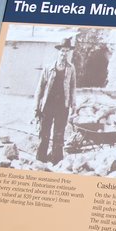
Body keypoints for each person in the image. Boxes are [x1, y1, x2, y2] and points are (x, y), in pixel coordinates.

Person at [35, 36, 77, 164]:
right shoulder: (48, 68)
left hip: (62, 107)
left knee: (59, 134)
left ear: (69, 52)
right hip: (47, 106)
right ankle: (40, 160)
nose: (64, 54)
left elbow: (73, 87)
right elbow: (40, 88)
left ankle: (56, 161)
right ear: (58, 51)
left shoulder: (71, 68)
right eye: (62, 51)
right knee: (44, 134)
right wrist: (36, 107)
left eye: (67, 51)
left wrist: (73, 105)